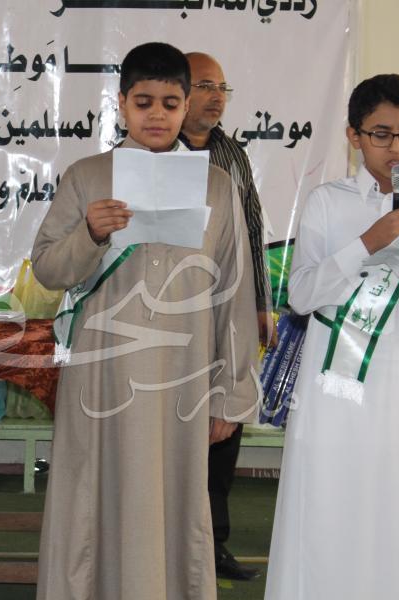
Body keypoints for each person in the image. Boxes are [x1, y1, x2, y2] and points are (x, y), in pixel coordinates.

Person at [31, 42, 259, 600]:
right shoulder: (87, 176)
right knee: (93, 496)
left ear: (186, 106)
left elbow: (234, 291)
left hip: (185, 374)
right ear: (121, 103)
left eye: (170, 103)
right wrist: (90, 233)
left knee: (177, 502)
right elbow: (48, 270)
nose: (157, 115)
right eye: (143, 102)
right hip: (101, 374)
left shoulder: (217, 184)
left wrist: (231, 393)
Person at [265, 74, 399, 600]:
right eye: (381, 134)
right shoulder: (327, 202)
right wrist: (366, 243)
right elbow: (302, 295)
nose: (397, 148)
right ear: (354, 136)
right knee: (330, 500)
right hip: (337, 386)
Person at [180, 51, 268, 581]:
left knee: (222, 429)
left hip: (225, 310)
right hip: (166, 317)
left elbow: (253, 228)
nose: (216, 97)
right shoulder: (147, 153)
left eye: (222, 88)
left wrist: (260, 303)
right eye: (205, 86)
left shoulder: (232, 154)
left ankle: (214, 546)